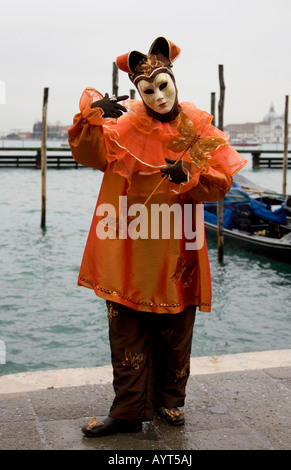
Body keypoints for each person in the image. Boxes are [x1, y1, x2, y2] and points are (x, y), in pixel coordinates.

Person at [68, 37, 246, 438]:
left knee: (175, 329)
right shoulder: (121, 127)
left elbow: (221, 186)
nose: (159, 96)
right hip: (127, 243)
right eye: (148, 90)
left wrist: (191, 176)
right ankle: (128, 411)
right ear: (137, 92)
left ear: (174, 81)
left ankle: (169, 403)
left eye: (163, 85)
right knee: (126, 327)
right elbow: (87, 153)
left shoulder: (197, 130)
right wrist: (92, 116)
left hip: (177, 243)